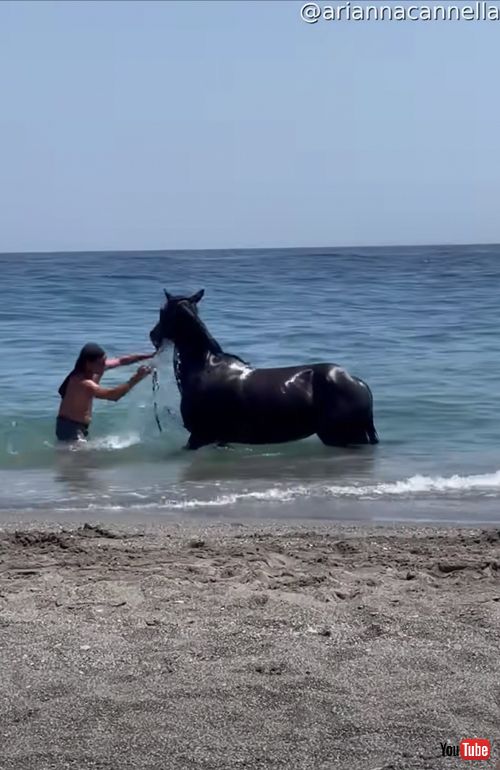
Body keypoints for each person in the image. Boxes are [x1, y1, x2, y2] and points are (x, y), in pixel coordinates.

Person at [56, 342, 154, 442]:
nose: (104, 365)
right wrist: (137, 378)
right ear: (88, 363)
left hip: (79, 427)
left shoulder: (94, 369)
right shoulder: (82, 383)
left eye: (104, 361)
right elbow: (113, 396)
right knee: (79, 456)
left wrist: (149, 356)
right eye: (101, 363)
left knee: (84, 456)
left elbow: (121, 361)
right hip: (69, 428)